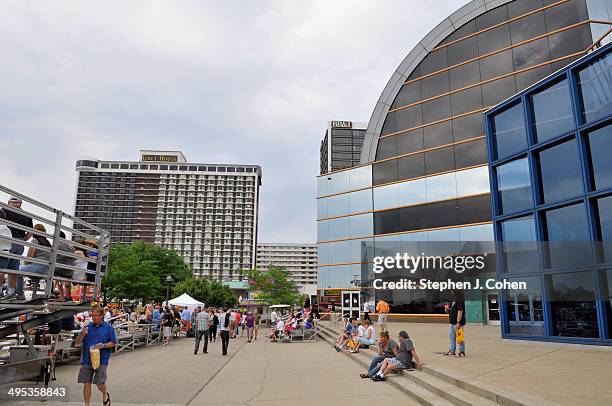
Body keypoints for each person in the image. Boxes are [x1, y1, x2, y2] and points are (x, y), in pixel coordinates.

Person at [75, 306, 116, 406]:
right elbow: (77, 343)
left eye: (96, 315)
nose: (94, 317)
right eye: (92, 315)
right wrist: (82, 334)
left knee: (99, 383)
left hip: (101, 360)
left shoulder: (108, 328)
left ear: (102, 316)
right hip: (87, 359)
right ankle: (86, 404)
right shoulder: (87, 327)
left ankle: (105, 394)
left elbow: (113, 343)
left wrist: (103, 345)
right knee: (86, 383)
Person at [3, 197, 33, 300]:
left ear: (9, 202)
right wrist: (24, 240)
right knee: (13, 269)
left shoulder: (5, 210)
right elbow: (30, 231)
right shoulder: (27, 215)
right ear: (20, 204)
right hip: (19, 243)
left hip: (7, 240)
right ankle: (11, 292)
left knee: (2, 267)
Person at [18, 224, 52, 298]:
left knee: (15, 271)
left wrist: (24, 264)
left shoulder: (35, 240)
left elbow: (29, 257)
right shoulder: (48, 243)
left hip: (37, 268)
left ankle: (19, 294)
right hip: (46, 270)